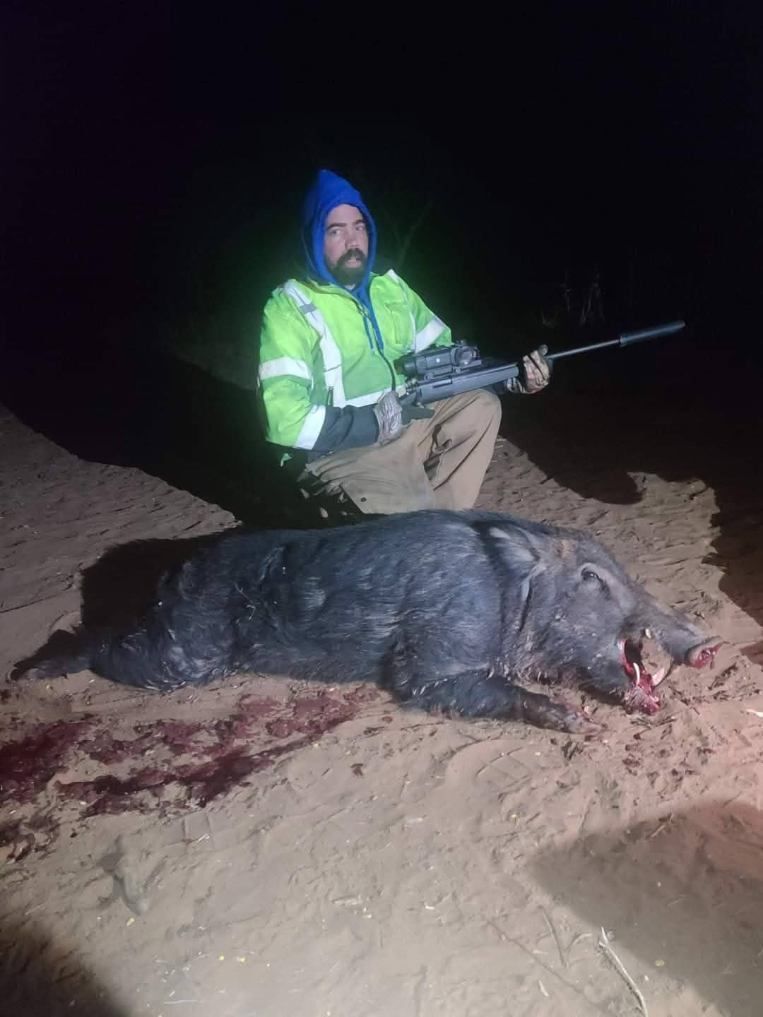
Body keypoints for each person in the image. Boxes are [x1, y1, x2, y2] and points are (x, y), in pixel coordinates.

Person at [256, 168, 551, 516]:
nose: (353, 242)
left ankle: (442, 521)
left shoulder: (391, 287)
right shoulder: (288, 307)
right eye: (336, 231)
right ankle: (390, 521)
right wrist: (370, 423)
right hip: (340, 453)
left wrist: (510, 377)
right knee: (409, 525)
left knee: (481, 406)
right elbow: (283, 420)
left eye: (359, 226)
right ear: (312, 238)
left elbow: (450, 361)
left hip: (405, 430)